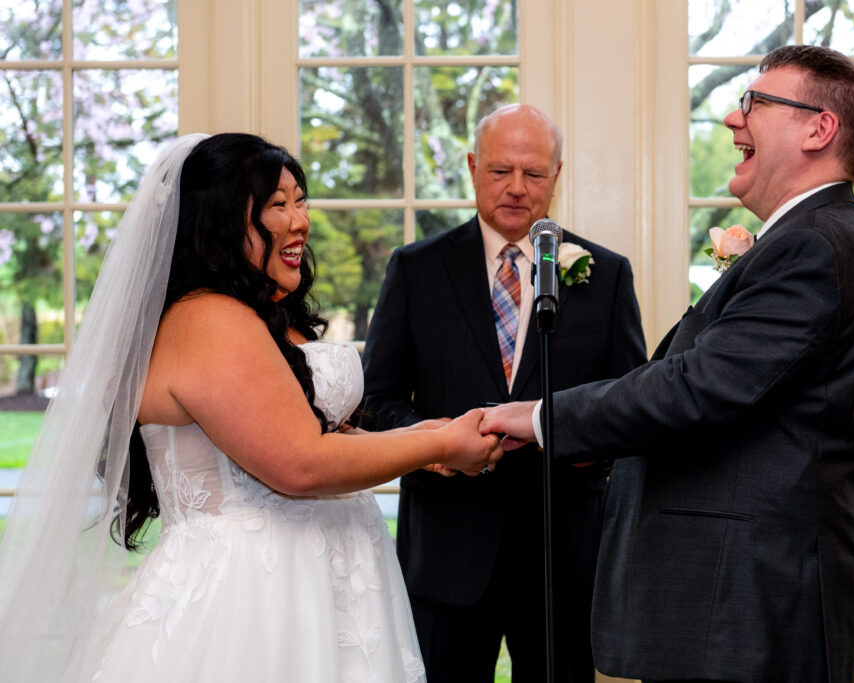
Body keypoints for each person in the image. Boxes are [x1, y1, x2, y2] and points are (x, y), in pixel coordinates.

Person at [0, 132, 502, 682]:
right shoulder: (208, 320)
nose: (299, 222)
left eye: (299, 200)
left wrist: (420, 439)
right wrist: (437, 444)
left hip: (321, 578)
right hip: (254, 597)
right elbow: (298, 464)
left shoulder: (259, 315)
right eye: (275, 206)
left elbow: (296, 429)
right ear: (218, 220)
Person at [481, 46, 854, 683]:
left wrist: (542, 418)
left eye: (756, 103)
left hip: (751, 605)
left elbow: (697, 386)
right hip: (733, 603)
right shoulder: (813, 239)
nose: (734, 119)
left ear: (819, 128)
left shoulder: (813, 245)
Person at [361, 104, 647, 681]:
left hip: (561, 559)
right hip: (446, 553)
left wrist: (575, 439)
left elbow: (632, 406)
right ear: (471, 167)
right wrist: (437, 445)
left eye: (534, 174)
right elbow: (375, 399)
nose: (517, 188)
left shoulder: (605, 274)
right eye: (500, 171)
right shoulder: (416, 270)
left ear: (557, 175)